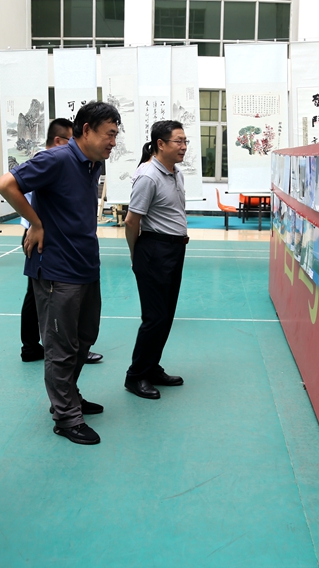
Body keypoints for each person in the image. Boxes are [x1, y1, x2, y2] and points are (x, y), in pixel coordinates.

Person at [0, 101, 120, 445]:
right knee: (60, 348)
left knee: (84, 339)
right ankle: (66, 417)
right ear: (86, 130)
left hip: (85, 266)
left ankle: (69, 397)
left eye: (116, 135)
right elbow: (6, 184)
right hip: (56, 270)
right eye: (109, 134)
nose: (113, 142)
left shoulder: (93, 163)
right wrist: (35, 223)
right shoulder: (57, 158)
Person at [20, 117, 103, 366]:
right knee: (42, 296)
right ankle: (36, 346)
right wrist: (35, 224)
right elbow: (8, 186)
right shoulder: (52, 160)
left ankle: (40, 346)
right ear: (59, 141)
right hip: (42, 237)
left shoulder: (87, 164)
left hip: (58, 239)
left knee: (38, 297)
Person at [123, 120, 189, 400]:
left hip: (174, 250)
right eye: (178, 141)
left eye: (185, 141)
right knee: (154, 317)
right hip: (154, 251)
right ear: (160, 144)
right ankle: (135, 376)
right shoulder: (149, 176)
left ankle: (151, 367)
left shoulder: (175, 173)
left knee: (166, 315)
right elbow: (131, 221)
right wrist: (135, 255)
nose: (184, 147)